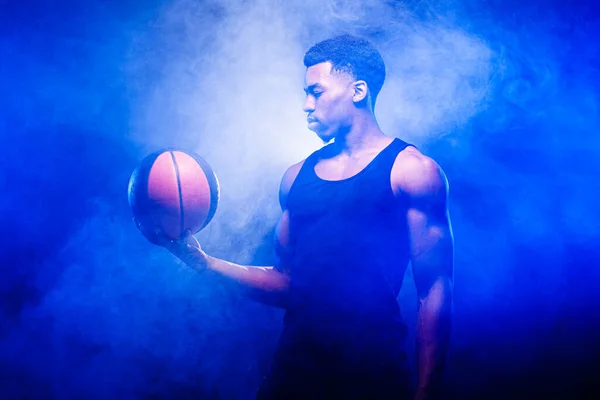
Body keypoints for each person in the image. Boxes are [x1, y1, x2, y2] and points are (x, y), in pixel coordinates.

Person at [138, 34, 454, 400]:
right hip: (293, 378)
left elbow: (434, 291)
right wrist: (201, 262)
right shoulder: (294, 179)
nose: (306, 105)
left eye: (316, 92)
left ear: (358, 91)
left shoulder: (413, 172)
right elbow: (287, 284)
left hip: (372, 377)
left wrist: (426, 394)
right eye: (305, 94)